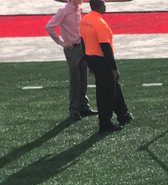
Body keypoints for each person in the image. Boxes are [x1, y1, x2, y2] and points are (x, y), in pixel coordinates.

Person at [80, 0, 131, 134]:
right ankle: (105, 124)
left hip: (92, 58)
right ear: (99, 6)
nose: (105, 6)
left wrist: (87, 58)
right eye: (104, 4)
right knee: (106, 93)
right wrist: (114, 68)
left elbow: (82, 41)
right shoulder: (100, 23)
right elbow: (105, 47)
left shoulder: (84, 20)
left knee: (114, 87)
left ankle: (123, 114)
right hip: (103, 61)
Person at [45, 0, 96, 122]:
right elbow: (49, 26)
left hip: (81, 46)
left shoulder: (79, 8)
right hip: (71, 48)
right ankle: (74, 110)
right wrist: (60, 42)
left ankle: (83, 106)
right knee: (75, 80)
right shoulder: (64, 10)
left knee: (83, 78)